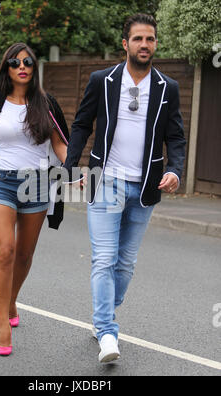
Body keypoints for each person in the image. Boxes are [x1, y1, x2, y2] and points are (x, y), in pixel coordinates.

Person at [63, 14, 186, 363]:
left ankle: (101, 314)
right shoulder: (102, 80)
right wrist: (70, 165)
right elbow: (82, 123)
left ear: (155, 44)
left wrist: (175, 170)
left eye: (150, 39)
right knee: (104, 258)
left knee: (125, 264)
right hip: (107, 182)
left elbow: (176, 136)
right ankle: (106, 331)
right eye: (137, 39)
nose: (144, 45)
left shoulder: (168, 88)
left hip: (145, 187)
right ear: (125, 44)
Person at [0, 43, 69, 356]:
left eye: (27, 62)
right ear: (6, 68)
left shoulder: (45, 103)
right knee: (5, 249)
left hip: (36, 184)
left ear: (34, 68)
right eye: (14, 62)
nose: (21, 66)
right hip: (0, 183)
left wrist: (73, 168)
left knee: (24, 254)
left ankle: (10, 300)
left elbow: (61, 144)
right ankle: (2, 324)